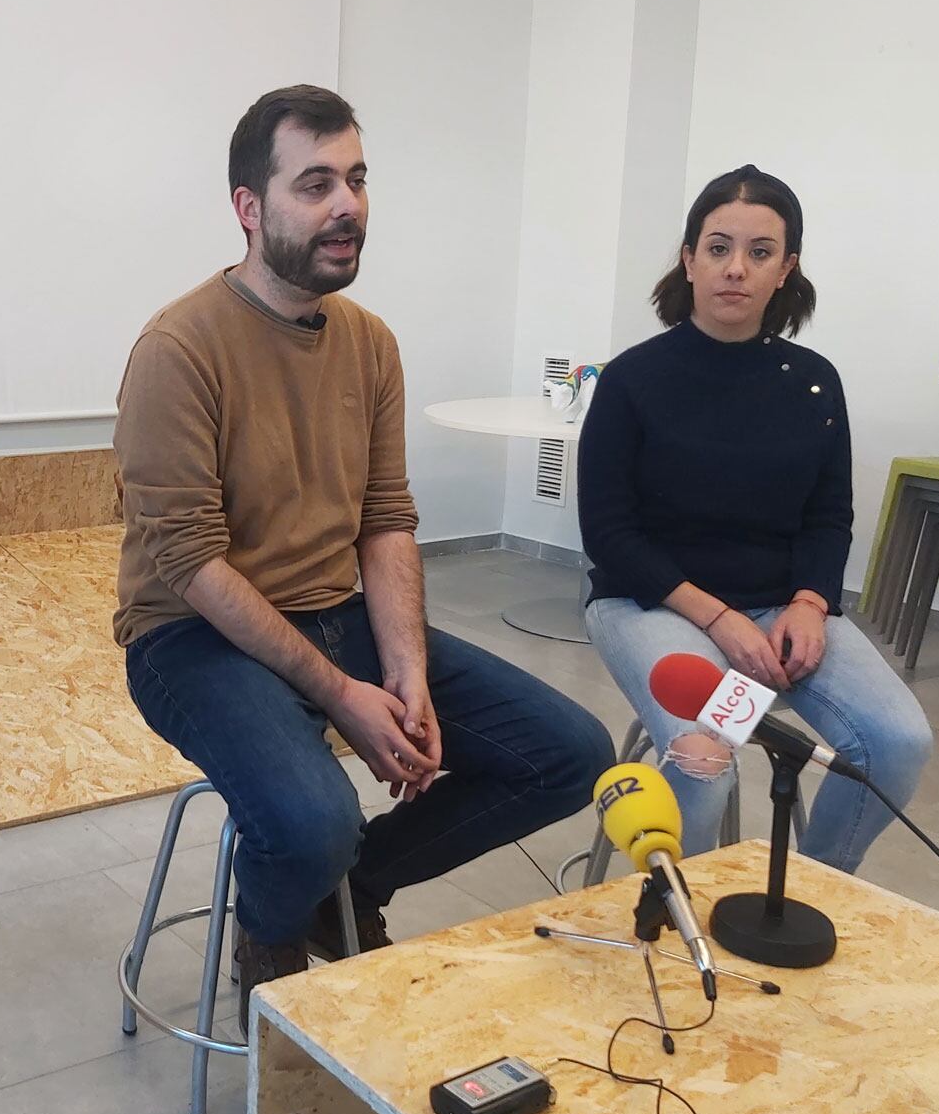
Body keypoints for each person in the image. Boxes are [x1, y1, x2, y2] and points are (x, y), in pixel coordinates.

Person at [113, 85, 613, 1024]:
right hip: (191, 637)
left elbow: (385, 519)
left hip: (335, 614)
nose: (347, 205)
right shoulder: (179, 349)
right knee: (312, 819)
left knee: (569, 754)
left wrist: (408, 674)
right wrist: (347, 694)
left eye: (356, 179)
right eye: (315, 184)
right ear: (249, 210)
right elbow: (189, 563)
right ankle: (275, 913)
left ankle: (346, 894)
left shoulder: (370, 343)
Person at [578, 164, 932, 872]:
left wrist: (810, 603)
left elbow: (829, 516)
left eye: (760, 252)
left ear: (786, 269)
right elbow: (611, 535)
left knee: (898, 740)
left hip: (781, 612)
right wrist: (720, 620)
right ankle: (689, 918)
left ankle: (806, 888)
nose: (736, 269)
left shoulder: (813, 381)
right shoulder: (632, 380)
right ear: (688, 259)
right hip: (654, 603)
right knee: (704, 752)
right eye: (718, 248)